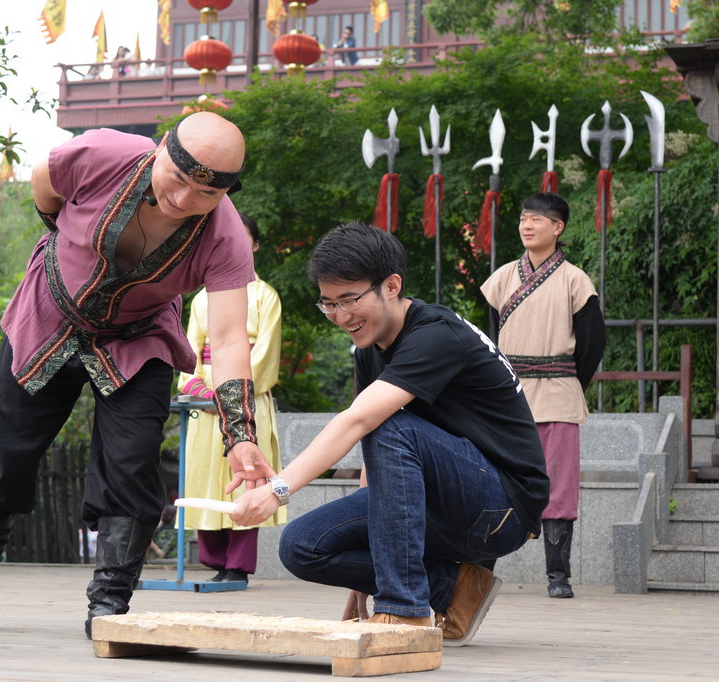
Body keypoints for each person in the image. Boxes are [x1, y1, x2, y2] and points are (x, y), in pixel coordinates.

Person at [0, 112, 277, 638]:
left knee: (131, 463)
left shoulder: (226, 237)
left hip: (140, 335)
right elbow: (45, 186)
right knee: (3, 450)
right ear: (160, 149)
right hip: (50, 311)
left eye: (204, 194)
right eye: (177, 180)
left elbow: (225, 340)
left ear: (225, 191)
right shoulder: (102, 154)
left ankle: (109, 600)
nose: (183, 200)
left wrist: (240, 437)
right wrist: (64, 240)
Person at [229, 222, 548, 646]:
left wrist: (276, 491)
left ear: (392, 285)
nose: (341, 317)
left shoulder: (436, 335)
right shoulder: (371, 348)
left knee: (389, 423)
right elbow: (376, 461)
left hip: (500, 507)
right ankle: (453, 588)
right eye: (329, 304)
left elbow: (360, 422)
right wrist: (369, 577)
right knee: (303, 545)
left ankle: (405, 610)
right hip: (436, 500)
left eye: (350, 300)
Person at [481, 192, 605, 599]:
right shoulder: (500, 278)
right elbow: (487, 343)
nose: (527, 225)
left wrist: (566, 381)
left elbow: (592, 344)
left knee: (559, 485)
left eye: (537, 219)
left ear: (558, 228)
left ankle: (558, 575)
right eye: (523, 218)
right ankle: (480, 568)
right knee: (496, 480)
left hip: (558, 395)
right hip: (508, 398)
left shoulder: (575, 279)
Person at [178, 213, 286, 584]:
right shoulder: (199, 300)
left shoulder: (266, 296)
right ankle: (213, 561)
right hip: (205, 404)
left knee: (246, 476)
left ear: (254, 245)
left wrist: (228, 395)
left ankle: (237, 566)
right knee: (205, 477)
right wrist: (199, 389)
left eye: (244, 238)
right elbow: (189, 353)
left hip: (245, 397)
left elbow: (265, 356)